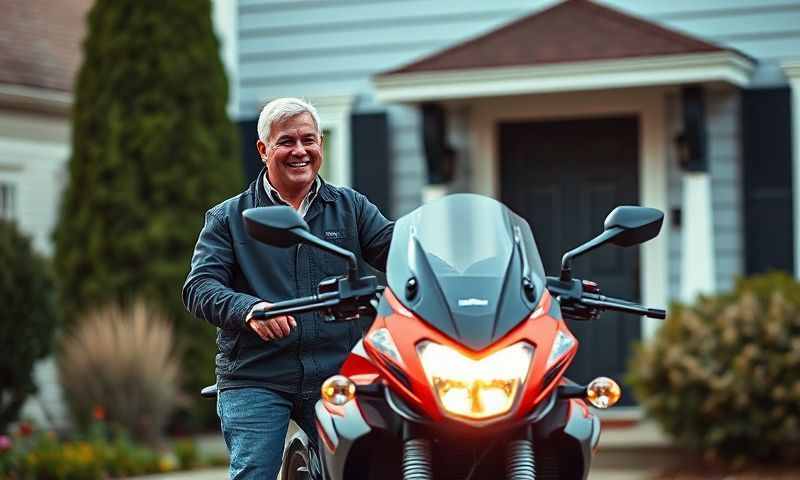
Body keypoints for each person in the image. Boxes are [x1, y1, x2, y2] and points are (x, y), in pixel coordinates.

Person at [182, 97, 393, 479]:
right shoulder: (229, 218)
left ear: (321, 146)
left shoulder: (350, 207)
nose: (300, 151)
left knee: (366, 467)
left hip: (336, 370)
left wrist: (447, 257)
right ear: (264, 149)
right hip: (257, 373)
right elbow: (199, 287)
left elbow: (399, 252)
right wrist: (247, 309)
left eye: (309, 140)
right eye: (287, 142)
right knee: (254, 472)